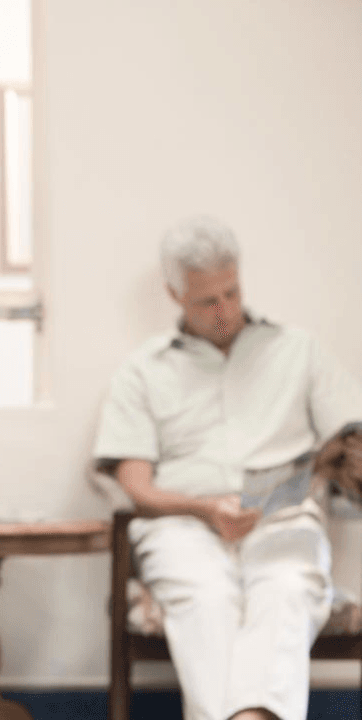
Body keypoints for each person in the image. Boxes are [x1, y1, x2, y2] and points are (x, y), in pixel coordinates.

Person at [93, 216, 362, 720]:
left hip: (282, 519)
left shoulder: (297, 350)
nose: (224, 312)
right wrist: (204, 508)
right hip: (182, 525)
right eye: (206, 302)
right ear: (174, 294)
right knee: (206, 600)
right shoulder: (142, 372)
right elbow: (135, 486)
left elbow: (351, 439)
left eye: (232, 293)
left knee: (287, 587)